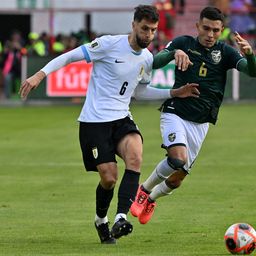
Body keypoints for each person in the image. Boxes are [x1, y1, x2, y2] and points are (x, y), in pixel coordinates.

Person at [19, 5, 200, 244]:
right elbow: (69, 56)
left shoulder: (147, 58)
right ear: (134, 25)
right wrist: (40, 74)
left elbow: (140, 92)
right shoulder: (108, 44)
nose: (148, 35)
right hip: (94, 122)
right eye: (144, 28)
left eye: (153, 30)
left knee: (135, 157)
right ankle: (101, 220)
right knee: (109, 177)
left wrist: (174, 92)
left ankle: (121, 218)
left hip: (122, 118)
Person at [130, 6, 256, 225]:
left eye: (215, 30)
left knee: (177, 180)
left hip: (201, 122)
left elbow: (252, 71)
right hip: (176, 112)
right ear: (197, 26)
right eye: (206, 28)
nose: (210, 34)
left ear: (221, 30)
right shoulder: (183, 43)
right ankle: (144, 189)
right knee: (177, 158)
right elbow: (155, 61)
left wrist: (251, 55)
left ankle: (151, 198)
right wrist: (173, 53)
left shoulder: (225, 53)